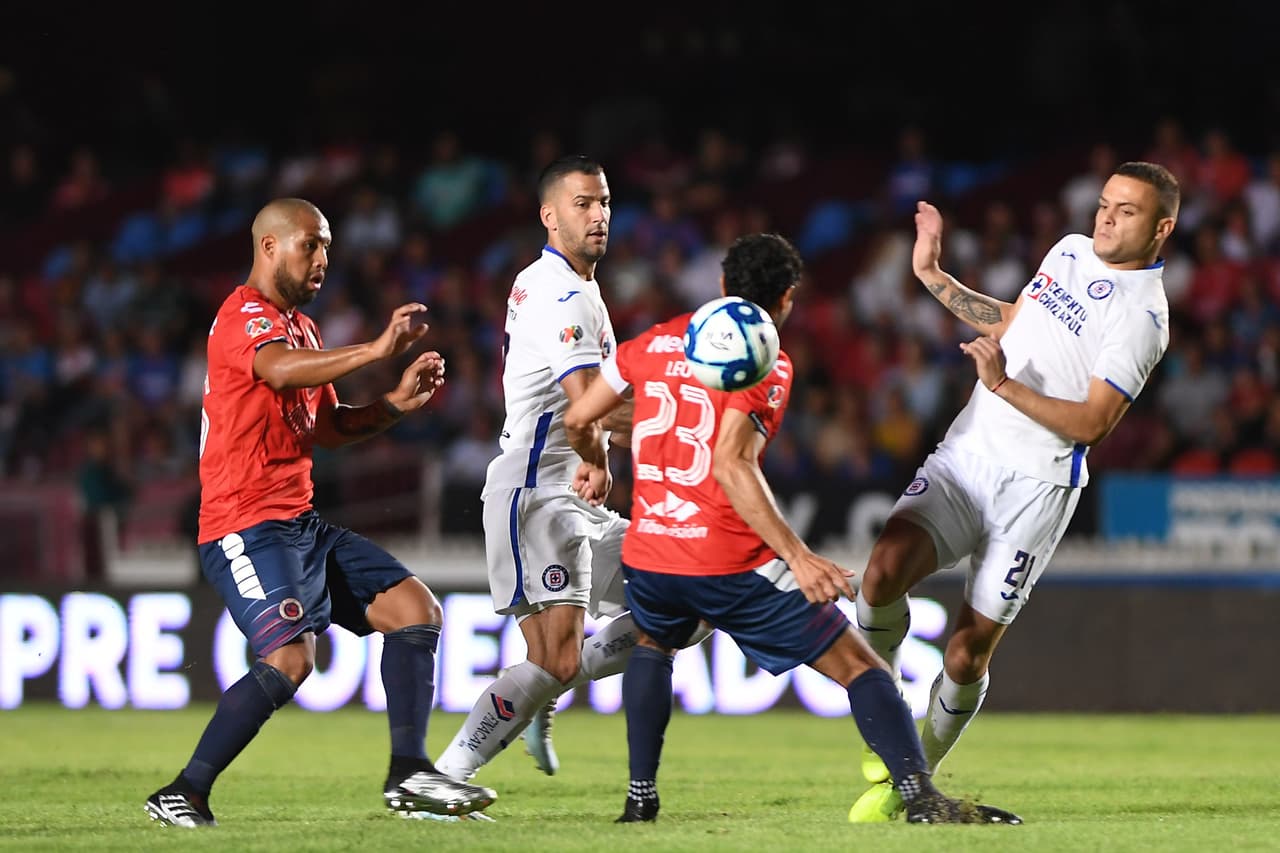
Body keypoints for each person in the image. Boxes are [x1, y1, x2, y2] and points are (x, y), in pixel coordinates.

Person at [563, 232, 1020, 825]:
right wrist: (799, 557)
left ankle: (639, 800)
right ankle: (919, 796)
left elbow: (580, 416)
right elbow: (731, 462)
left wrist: (597, 462)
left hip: (651, 554)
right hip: (729, 561)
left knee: (654, 647)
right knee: (862, 667)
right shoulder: (764, 357)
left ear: (723, 286)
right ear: (787, 300)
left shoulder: (659, 338)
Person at [143, 198, 496, 828]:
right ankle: (183, 792)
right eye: (311, 244)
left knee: (416, 611)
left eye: (327, 246)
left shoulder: (301, 329)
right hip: (243, 526)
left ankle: (408, 773)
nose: (323, 259)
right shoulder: (241, 316)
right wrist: (376, 348)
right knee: (291, 659)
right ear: (270, 246)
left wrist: (393, 404)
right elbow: (276, 373)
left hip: (299, 522)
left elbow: (327, 427)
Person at [849, 162, 1180, 822]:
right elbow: (1015, 322)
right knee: (881, 572)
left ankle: (911, 777)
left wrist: (1002, 385)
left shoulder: (1144, 317)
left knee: (967, 651)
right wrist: (932, 277)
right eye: (1105, 203)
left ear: (1161, 228)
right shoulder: (1068, 250)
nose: (1106, 217)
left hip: (1037, 488)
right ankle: (887, 713)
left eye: (1127, 211)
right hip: (969, 453)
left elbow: (1092, 422)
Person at [435, 156, 710, 791]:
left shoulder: (575, 287)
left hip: (569, 496)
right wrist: (692, 421)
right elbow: (591, 403)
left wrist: (598, 460)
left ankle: (542, 694)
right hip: (534, 492)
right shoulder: (561, 291)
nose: (599, 215)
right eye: (583, 204)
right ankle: (443, 776)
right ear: (549, 215)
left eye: (605, 202)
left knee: (686, 602)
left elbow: (584, 408)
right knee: (554, 657)